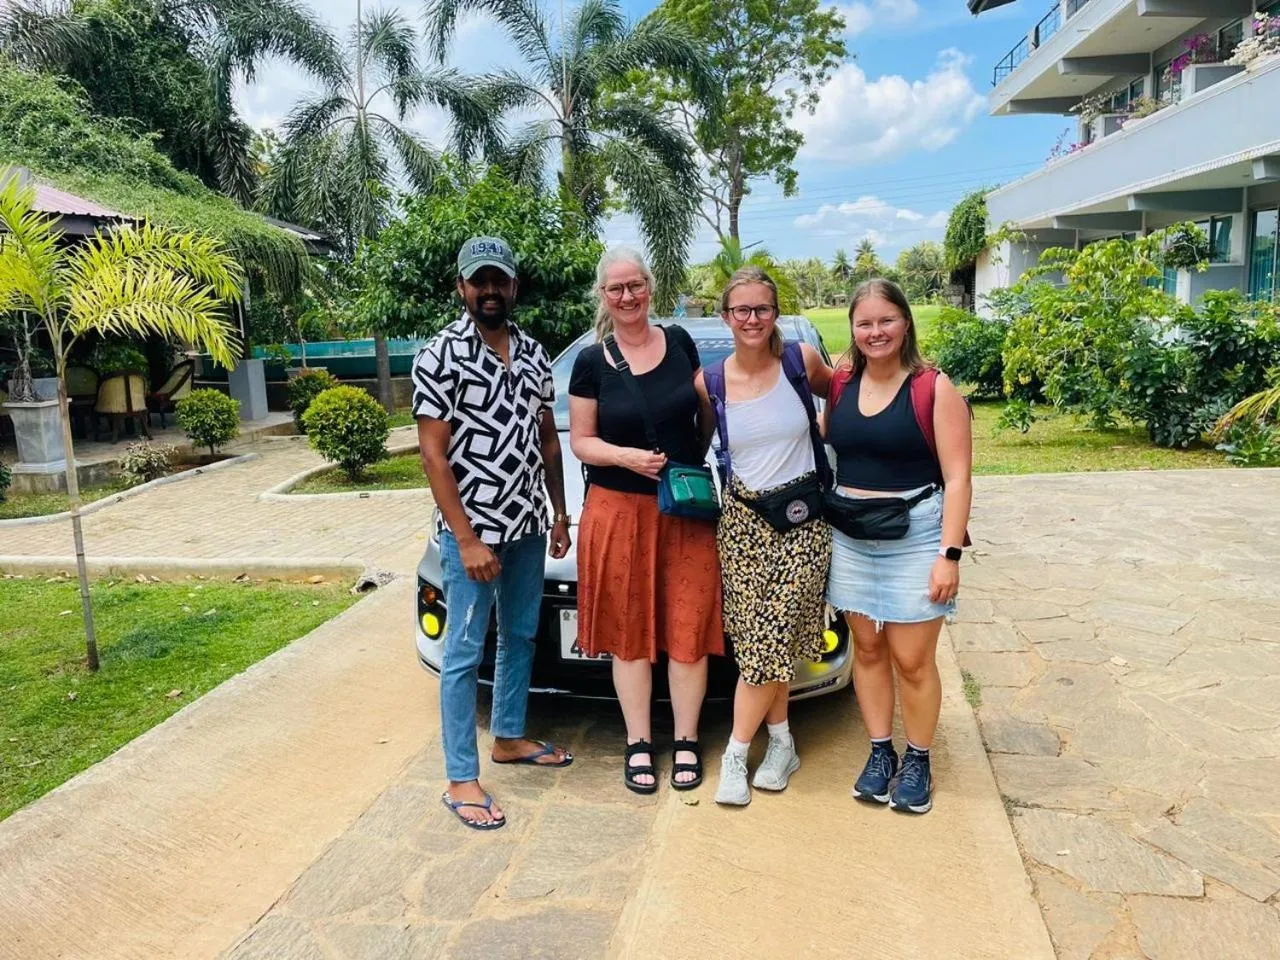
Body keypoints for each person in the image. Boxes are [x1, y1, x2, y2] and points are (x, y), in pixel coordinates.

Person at [413, 236, 574, 830]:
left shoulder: (533, 353)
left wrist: (558, 512)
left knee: (522, 635)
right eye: (477, 281)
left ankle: (508, 738)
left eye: (498, 280)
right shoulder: (440, 354)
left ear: (513, 286)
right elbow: (432, 455)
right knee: (462, 651)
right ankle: (461, 777)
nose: (488, 291)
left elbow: (547, 437)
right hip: (472, 533)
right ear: (461, 288)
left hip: (529, 522)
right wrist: (466, 539)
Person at [568, 246, 724, 794]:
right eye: (616, 289)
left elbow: (705, 414)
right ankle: (638, 742)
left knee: (689, 627)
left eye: (635, 285)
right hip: (618, 509)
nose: (628, 296)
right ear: (603, 297)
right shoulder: (591, 362)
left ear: (650, 288)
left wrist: (689, 465)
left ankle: (686, 740)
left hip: (683, 511)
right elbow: (582, 442)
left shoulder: (680, 342)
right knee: (628, 631)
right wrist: (628, 456)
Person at [824, 278, 973, 815]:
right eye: (864, 323)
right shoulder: (841, 385)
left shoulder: (934, 387)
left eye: (885, 320)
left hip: (917, 536)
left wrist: (948, 555)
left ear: (905, 322)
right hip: (852, 536)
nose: (875, 331)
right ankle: (880, 751)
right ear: (853, 330)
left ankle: (919, 757)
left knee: (911, 659)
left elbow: (958, 479)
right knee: (865, 649)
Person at [695, 267, 833, 806]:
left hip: (803, 520)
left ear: (776, 313)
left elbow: (850, 392)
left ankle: (734, 752)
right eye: (742, 310)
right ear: (726, 316)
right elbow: (701, 442)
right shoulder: (709, 382)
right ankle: (782, 744)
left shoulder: (801, 361)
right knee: (760, 644)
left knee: (770, 641)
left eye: (763, 309)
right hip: (743, 525)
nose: (752, 319)